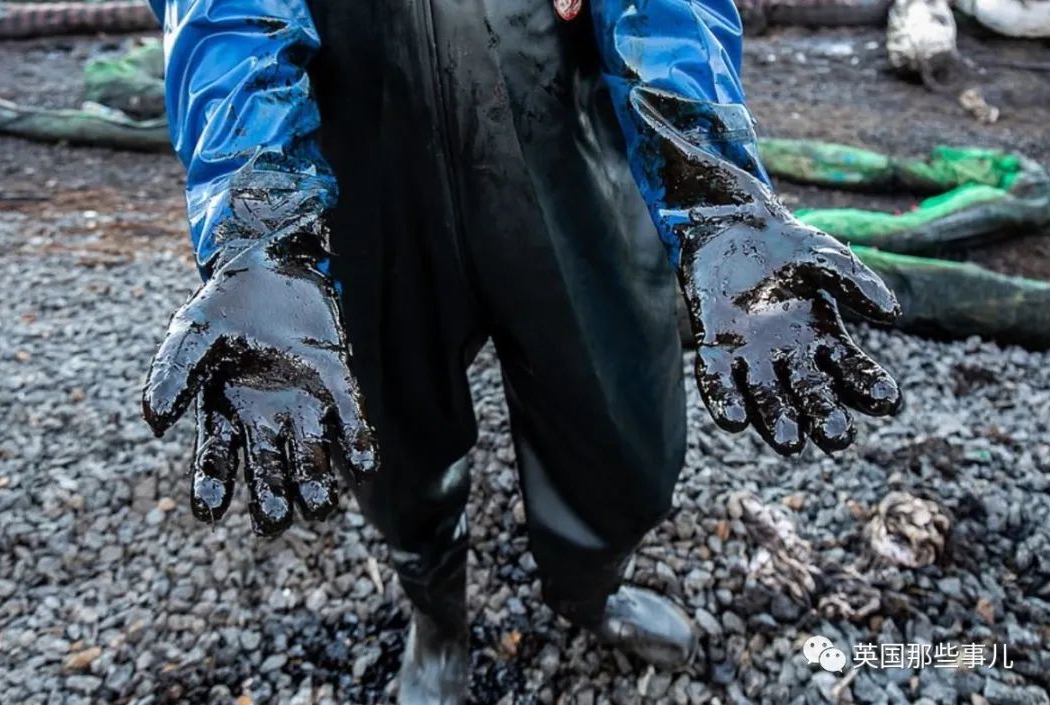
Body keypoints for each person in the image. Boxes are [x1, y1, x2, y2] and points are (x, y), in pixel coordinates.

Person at [141, 1, 903, 702]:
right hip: (355, 132)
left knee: (622, 419)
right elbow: (225, 11)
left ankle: (589, 583)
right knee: (386, 425)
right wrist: (260, 224)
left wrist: (712, 182)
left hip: (553, 105)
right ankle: (436, 608)